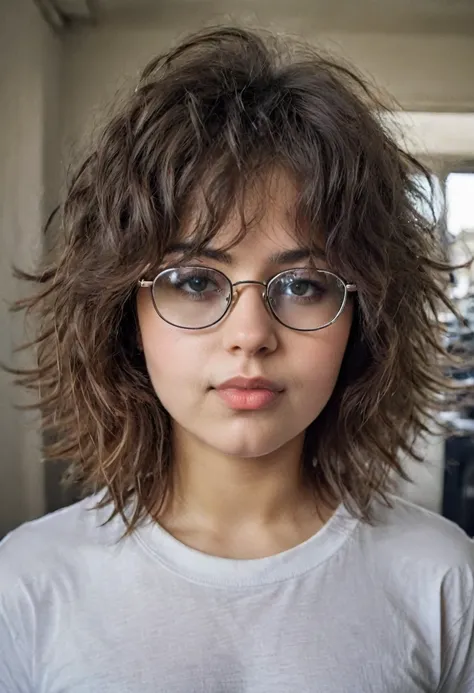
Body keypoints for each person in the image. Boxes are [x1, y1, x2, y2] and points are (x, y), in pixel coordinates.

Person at [0, 25, 473, 693]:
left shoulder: (444, 580)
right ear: (124, 316)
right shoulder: (26, 583)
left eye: (305, 285)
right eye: (195, 280)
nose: (250, 334)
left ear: (364, 319)